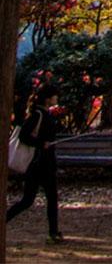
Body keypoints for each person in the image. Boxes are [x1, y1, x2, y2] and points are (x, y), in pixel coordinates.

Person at [6, 84, 63, 243]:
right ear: (47, 99)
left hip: (45, 163)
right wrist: (40, 143)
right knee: (28, 200)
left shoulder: (46, 114)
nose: (56, 99)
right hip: (38, 164)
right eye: (54, 96)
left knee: (48, 198)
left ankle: (53, 232)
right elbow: (24, 136)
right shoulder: (38, 115)